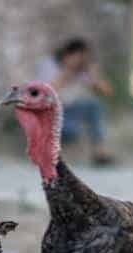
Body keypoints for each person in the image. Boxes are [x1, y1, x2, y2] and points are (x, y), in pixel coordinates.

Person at [37, 38, 116, 166]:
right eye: (80, 58)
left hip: (74, 110)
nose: (81, 62)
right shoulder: (50, 64)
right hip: (52, 112)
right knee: (69, 132)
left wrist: (94, 77)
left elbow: (108, 92)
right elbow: (46, 92)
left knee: (95, 105)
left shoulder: (83, 70)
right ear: (69, 54)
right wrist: (67, 72)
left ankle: (99, 152)